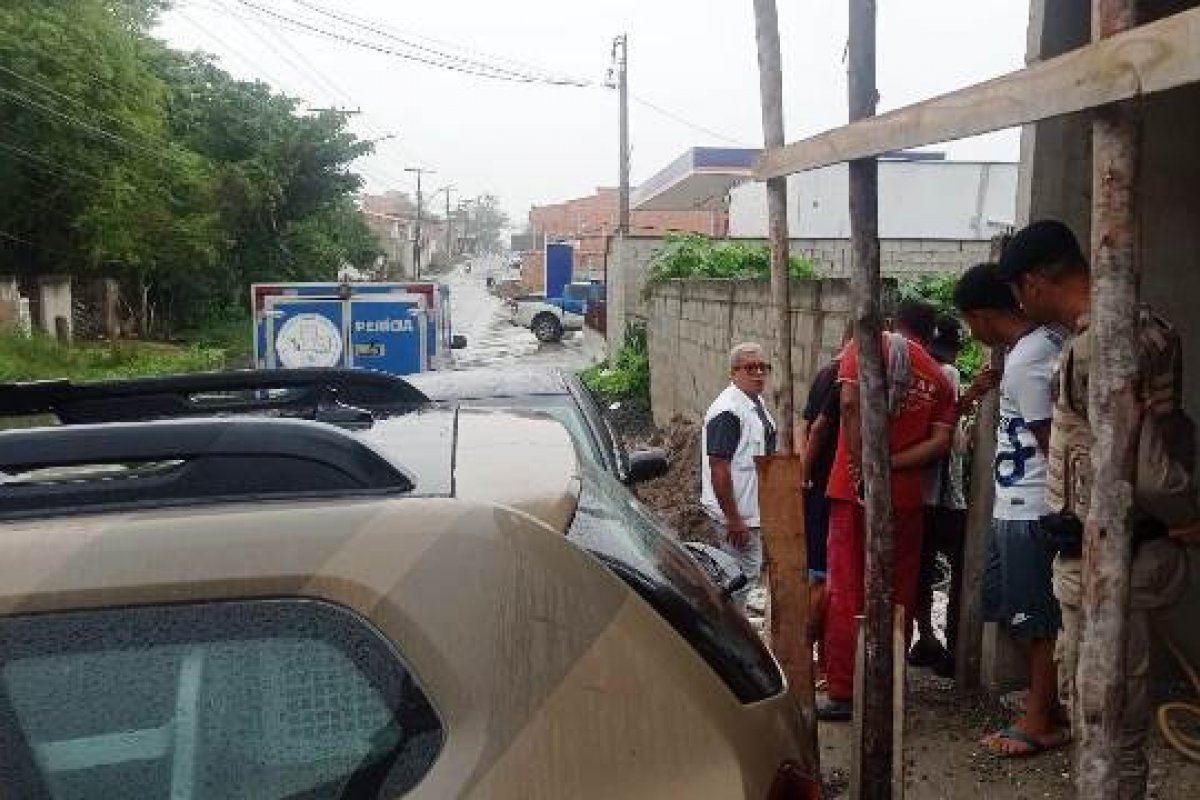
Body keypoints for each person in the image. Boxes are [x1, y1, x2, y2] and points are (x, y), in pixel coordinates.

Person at [998, 220, 1193, 795]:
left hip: (1111, 557)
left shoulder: (1099, 347)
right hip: (1122, 548)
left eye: (1017, 291)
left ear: (1034, 283)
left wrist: (1180, 513)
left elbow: (1145, 464)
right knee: (1103, 709)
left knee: (1106, 713)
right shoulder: (1145, 326)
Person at [818, 299, 956, 721]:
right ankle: (887, 683)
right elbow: (941, 441)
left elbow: (847, 406)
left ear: (894, 323)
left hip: (853, 491)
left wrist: (864, 465)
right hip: (907, 497)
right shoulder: (937, 375)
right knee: (898, 592)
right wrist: (894, 464)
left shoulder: (865, 348)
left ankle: (843, 689)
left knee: (847, 588)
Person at [952, 262, 1069, 756]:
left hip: (1031, 504)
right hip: (1014, 502)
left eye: (968, 323)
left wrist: (1065, 507)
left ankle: (1041, 720)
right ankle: (1048, 703)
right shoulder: (1033, 349)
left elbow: (1051, 442)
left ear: (980, 316)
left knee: (1036, 619)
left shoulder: (1029, 357)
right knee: (1014, 608)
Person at [908, 315, 971, 678]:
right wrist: (973, 396)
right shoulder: (947, 374)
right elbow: (946, 432)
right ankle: (947, 645)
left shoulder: (921, 373)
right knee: (960, 569)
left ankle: (927, 638)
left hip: (924, 494)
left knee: (921, 571)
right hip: (943, 497)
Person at [701, 342, 778, 610]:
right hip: (737, 517)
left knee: (738, 577)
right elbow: (719, 468)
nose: (758, 373)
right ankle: (728, 635)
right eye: (750, 368)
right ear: (733, 372)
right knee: (741, 579)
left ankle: (726, 628)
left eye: (762, 367)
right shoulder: (728, 411)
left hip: (749, 512)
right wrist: (734, 520)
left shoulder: (755, 404)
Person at [797, 330, 851, 659]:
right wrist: (804, 475)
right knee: (824, 576)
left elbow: (804, 426)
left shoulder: (824, 373)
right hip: (829, 490)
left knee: (819, 575)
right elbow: (817, 428)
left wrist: (805, 475)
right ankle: (808, 653)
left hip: (819, 486)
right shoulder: (843, 376)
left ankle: (811, 654)